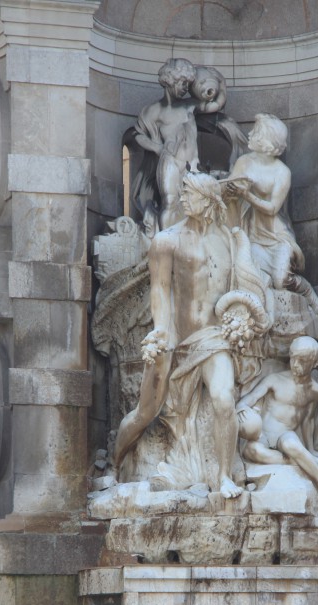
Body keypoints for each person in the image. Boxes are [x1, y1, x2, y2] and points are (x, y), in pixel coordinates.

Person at [113, 172, 265, 498]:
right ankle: (114, 465)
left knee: (224, 399)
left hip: (214, 339)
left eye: (190, 194)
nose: (183, 200)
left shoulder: (230, 238)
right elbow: (159, 292)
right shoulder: (166, 241)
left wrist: (242, 317)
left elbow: (244, 285)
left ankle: (224, 477)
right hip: (177, 343)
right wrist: (162, 332)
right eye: (182, 193)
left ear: (208, 199)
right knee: (144, 412)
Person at [223, 114, 318, 321]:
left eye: (256, 132)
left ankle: (306, 291)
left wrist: (247, 194)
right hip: (252, 234)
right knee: (255, 278)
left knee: (281, 279)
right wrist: (228, 189)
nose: (250, 133)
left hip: (276, 235)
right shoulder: (244, 161)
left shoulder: (282, 172)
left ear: (267, 142)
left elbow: (273, 208)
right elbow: (230, 191)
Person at [237, 336, 318, 509]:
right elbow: (251, 397)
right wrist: (241, 407)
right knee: (251, 450)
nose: (295, 364)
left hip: (285, 435)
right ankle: (302, 461)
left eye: (302, 360)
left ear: (315, 362)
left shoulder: (315, 391)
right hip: (263, 435)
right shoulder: (275, 379)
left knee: (292, 444)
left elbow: (308, 421)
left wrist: (310, 448)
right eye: (293, 358)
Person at [133, 59, 226, 229]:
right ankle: (165, 240)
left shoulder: (189, 105)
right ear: (170, 80)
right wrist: (157, 148)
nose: (186, 88)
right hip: (170, 161)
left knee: (195, 204)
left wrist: (221, 83)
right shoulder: (154, 110)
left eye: (188, 84)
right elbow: (138, 135)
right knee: (170, 201)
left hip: (192, 163)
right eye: (183, 83)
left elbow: (217, 104)